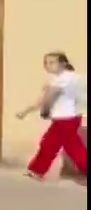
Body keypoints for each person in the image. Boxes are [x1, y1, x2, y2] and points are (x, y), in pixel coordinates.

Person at [19, 51, 87, 180]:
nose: (47, 65)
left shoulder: (61, 79)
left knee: (49, 144)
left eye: (51, 62)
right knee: (74, 147)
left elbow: (49, 97)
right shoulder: (73, 77)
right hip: (72, 117)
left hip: (64, 119)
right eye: (46, 63)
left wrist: (44, 110)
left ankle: (37, 171)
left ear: (63, 64)